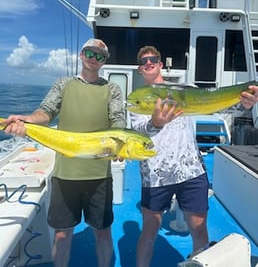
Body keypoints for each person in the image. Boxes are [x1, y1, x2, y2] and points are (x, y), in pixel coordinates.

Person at [2, 38, 126, 267]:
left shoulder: (112, 89)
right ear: (81, 55)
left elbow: (118, 120)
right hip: (65, 174)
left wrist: (121, 146)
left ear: (104, 62)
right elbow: (46, 112)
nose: (94, 58)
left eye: (100, 56)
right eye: (90, 53)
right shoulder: (63, 84)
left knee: (102, 232)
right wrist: (26, 120)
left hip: (99, 176)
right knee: (62, 233)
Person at [130, 45, 210, 267]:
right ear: (139, 69)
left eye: (152, 58)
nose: (148, 62)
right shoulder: (137, 100)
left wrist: (244, 103)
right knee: (149, 230)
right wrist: (156, 122)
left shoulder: (186, 88)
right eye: (143, 61)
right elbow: (138, 132)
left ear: (160, 63)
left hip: (191, 170)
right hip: (155, 174)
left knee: (199, 227)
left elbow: (215, 106)